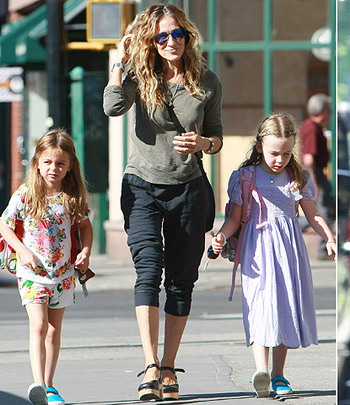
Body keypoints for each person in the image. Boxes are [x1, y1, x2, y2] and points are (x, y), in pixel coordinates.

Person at [102, 4, 223, 401]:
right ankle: (150, 365)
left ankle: (169, 367)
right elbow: (112, 107)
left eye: (176, 34)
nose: (170, 42)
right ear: (150, 42)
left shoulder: (207, 81)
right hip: (141, 185)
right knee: (148, 270)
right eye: (161, 36)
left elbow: (217, 135)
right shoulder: (140, 76)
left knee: (181, 280)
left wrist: (203, 143)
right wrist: (119, 65)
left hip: (187, 188)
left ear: (187, 36)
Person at [210, 113, 336, 397]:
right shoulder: (245, 177)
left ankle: (279, 374)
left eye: (286, 153)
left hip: (289, 250)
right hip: (258, 250)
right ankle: (261, 371)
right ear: (259, 147)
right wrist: (221, 236)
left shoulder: (298, 177)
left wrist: (329, 237)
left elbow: (312, 214)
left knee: (285, 306)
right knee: (260, 306)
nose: (279, 159)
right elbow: (234, 218)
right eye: (273, 153)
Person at [0, 129, 93, 405]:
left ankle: (50, 387)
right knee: (38, 325)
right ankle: (38, 383)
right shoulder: (26, 194)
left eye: (61, 163)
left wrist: (86, 252)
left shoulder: (72, 197)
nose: (54, 168)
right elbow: (5, 225)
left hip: (63, 275)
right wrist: (23, 250)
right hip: (31, 275)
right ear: (37, 163)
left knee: (54, 330)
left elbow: (86, 227)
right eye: (48, 162)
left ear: (70, 166)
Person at [300, 93, 335, 226]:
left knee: (324, 212)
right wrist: (314, 184)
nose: (330, 114)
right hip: (315, 175)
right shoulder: (312, 128)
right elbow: (308, 160)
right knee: (323, 213)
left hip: (316, 175)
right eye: (329, 111)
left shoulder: (314, 127)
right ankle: (325, 245)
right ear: (321, 112)